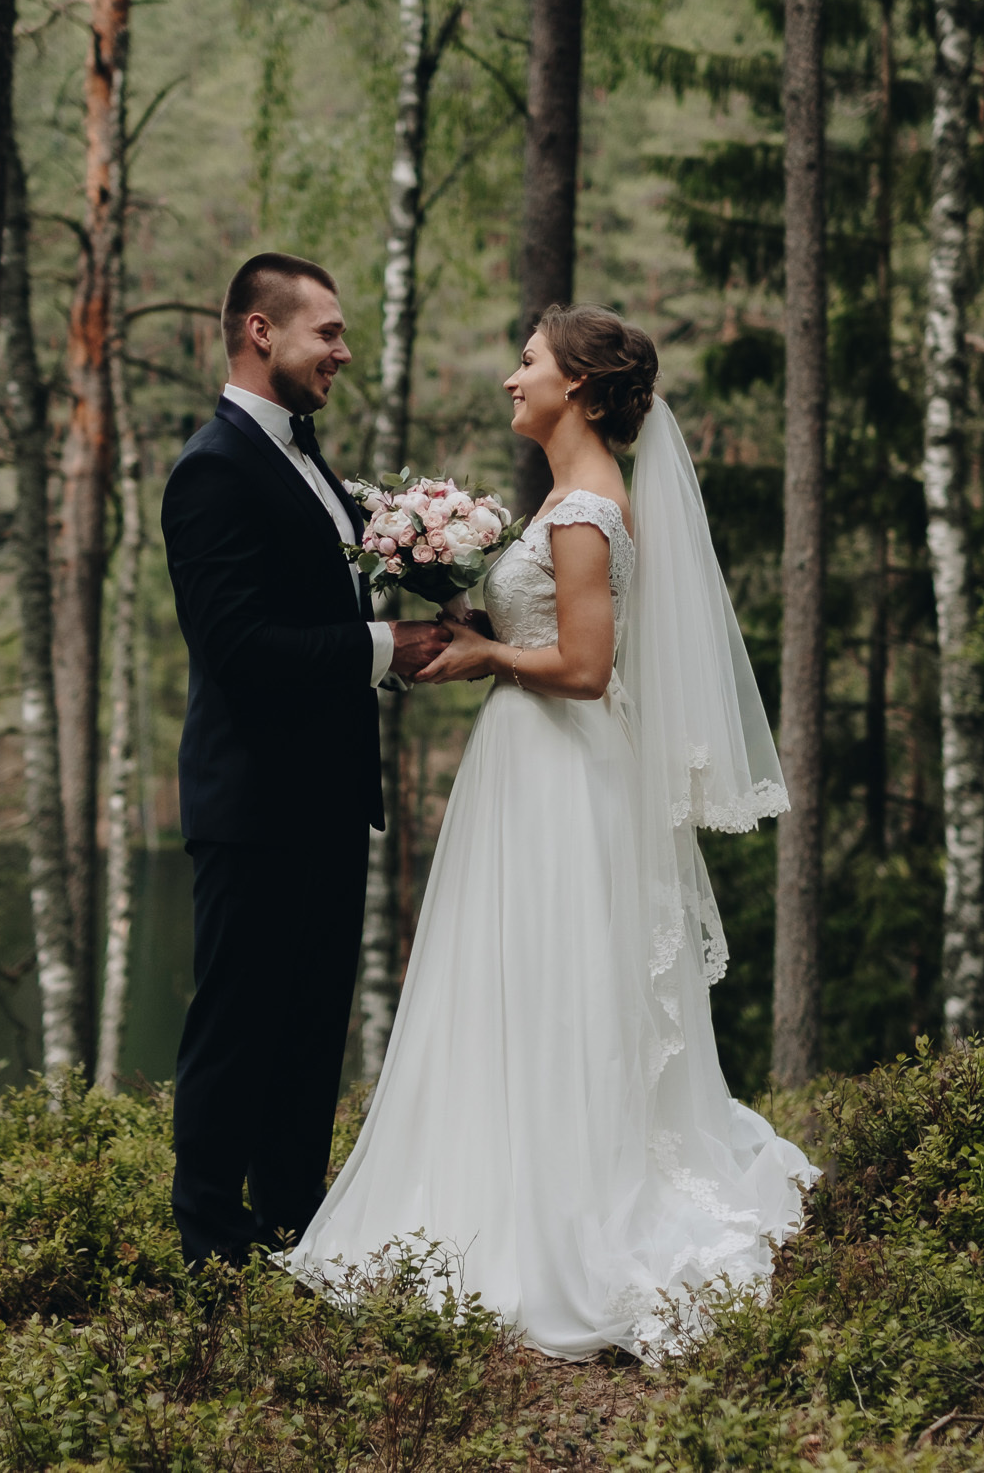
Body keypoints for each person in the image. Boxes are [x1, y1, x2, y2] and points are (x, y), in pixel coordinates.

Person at [280, 303, 817, 1362]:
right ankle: (507, 1183)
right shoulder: (572, 501)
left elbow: (583, 670)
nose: (510, 379)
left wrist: (485, 660)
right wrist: (477, 627)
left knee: (554, 978)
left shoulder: (584, 509)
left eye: (525, 362)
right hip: (534, 770)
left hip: (563, 772)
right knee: (524, 979)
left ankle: (558, 1216)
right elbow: (556, 640)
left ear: (575, 383)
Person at [159, 252, 451, 1273]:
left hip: (327, 799)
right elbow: (236, 650)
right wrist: (382, 652)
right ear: (259, 333)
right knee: (237, 1024)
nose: (342, 349)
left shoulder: (308, 460)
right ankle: (209, 1239)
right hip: (251, 804)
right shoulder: (212, 469)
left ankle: (293, 1221)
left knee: (309, 1027)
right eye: (325, 331)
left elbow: (318, 603)